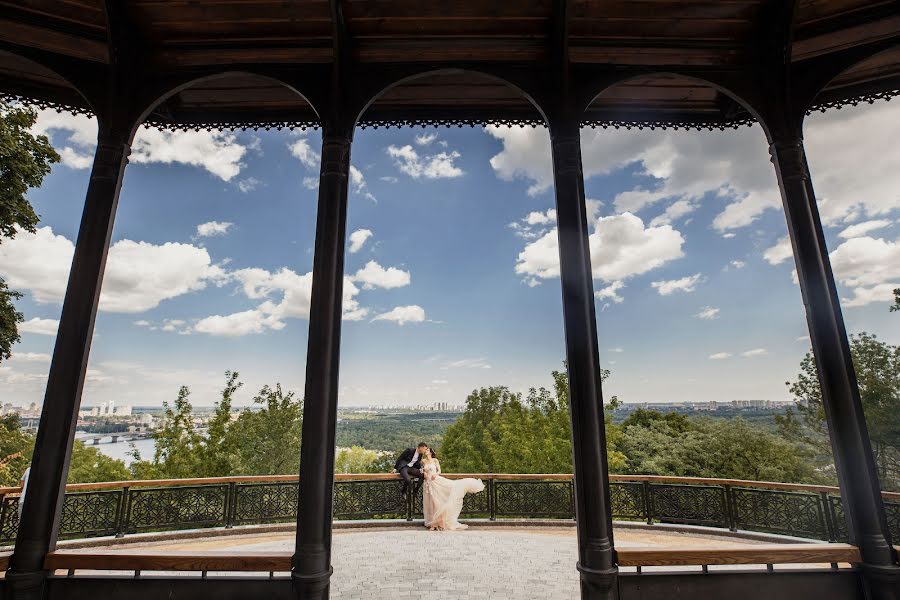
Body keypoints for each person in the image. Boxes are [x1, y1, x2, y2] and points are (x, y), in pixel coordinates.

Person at [422, 448, 484, 531]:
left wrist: (435, 475)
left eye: (427, 450)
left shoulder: (435, 460)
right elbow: (421, 470)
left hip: (436, 480)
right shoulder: (423, 461)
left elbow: (439, 470)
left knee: (438, 501)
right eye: (425, 450)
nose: (425, 451)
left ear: (430, 452)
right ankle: (433, 523)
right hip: (428, 483)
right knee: (430, 503)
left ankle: (439, 522)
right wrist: (424, 473)